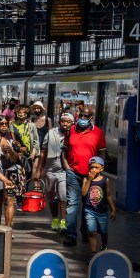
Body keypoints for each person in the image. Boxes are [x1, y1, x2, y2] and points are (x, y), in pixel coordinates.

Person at [63, 105, 107, 246]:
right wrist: (66, 166)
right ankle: (71, 234)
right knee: (72, 204)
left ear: (91, 118)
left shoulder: (98, 133)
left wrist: (98, 169)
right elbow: (64, 150)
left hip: (90, 175)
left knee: (88, 205)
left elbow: (102, 152)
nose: (82, 118)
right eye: (80, 115)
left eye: (85, 116)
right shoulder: (70, 131)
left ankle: (86, 232)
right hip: (73, 172)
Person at [34, 113, 73, 233]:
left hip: (63, 171)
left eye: (68, 122)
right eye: (63, 121)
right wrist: (38, 170)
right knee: (51, 196)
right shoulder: (51, 133)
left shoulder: (74, 134)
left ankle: (63, 222)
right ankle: (55, 219)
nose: (65, 124)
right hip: (50, 169)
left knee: (63, 196)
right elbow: (43, 152)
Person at [81, 157, 115, 254]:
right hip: (89, 210)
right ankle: (93, 253)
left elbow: (108, 195)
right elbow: (83, 193)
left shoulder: (105, 180)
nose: (93, 170)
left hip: (102, 211)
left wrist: (113, 209)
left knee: (103, 232)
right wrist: (89, 180)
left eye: (96, 167)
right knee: (92, 232)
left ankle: (104, 247)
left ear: (102, 169)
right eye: (91, 167)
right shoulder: (86, 179)